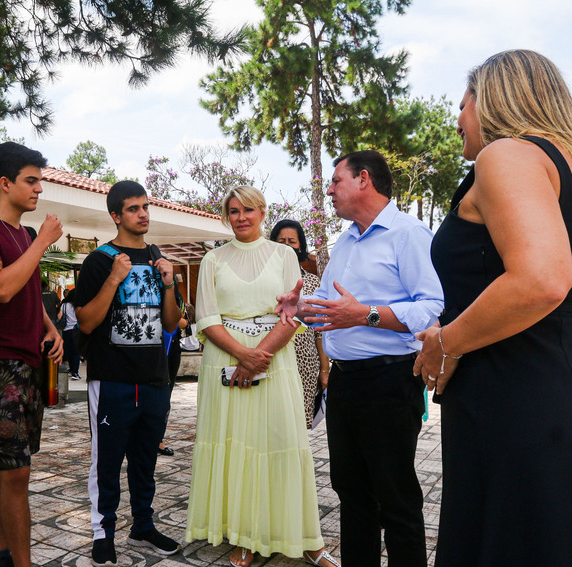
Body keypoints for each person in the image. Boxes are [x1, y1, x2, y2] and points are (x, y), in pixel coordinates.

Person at [413, 49, 572, 566]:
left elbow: (542, 279)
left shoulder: (507, 155)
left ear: (495, 101)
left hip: (515, 402)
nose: (456, 120)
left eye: (463, 105)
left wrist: (446, 343)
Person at [277, 151, 443, 567]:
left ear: (363, 179)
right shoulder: (346, 239)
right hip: (345, 384)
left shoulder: (409, 234)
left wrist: (366, 314)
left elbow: (431, 308)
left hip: (389, 382)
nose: (328, 190)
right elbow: (337, 308)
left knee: (396, 499)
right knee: (351, 494)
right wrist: (302, 308)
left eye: (336, 181)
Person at [185, 186, 339, 567]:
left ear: (262, 211)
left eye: (248, 209)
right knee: (236, 445)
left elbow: (297, 313)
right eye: (233, 211)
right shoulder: (213, 259)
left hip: (275, 359)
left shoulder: (285, 255)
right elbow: (205, 316)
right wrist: (241, 355)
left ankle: (306, 538)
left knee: (283, 443)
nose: (241, 217)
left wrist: (259, 356)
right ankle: (243, 536)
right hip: (225, 360)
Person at [0, 141, 64, 567]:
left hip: (29, 361)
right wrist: (41, 244)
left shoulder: (22, 234)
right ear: (5, 184)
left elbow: (24, 291)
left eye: (41, 180)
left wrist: (49, 325)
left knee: (9, 467)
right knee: (16, 471)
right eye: (31, 180)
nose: (39, 189)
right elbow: (0, 286)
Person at [73, 180, 182, 567]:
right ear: (116, 215)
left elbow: (171, 324)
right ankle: (102, 533)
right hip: (112, 379)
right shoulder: (100, 260)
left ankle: (144, 524)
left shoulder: (158, 259)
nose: (143, 214)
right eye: (134, 208)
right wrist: (115, 279)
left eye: (146, 207)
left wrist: (169, 282)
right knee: (106, 461)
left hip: (153, 378)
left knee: (144, 459)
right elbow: (85, 322)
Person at [270, 219, 330, 428]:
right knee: (272, 422)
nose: (287, 245)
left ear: (301, 246)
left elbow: (320, 331)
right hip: (271, 359)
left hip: (305, 365)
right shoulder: (265, 281)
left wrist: (324, 370)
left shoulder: (313, 282)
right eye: (281, 241)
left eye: (292, 241)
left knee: (299, 425)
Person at [158, 296, 188, 456]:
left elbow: (183, 322)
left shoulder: (174, 292)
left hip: (172, 347)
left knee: (165, 395)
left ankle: (158, 439)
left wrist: (174, 319)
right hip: (152, 346)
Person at [58, 288, 81, 380]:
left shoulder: (64, 305)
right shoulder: (78, 306)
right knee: (76, 352)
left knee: (69, 351)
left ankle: (71, 369)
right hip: (76, 330)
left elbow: (59, 316)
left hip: (66, 331)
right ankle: (75, 372)